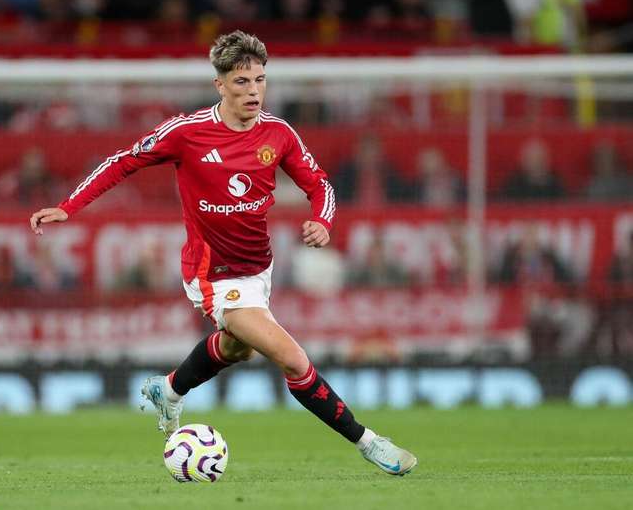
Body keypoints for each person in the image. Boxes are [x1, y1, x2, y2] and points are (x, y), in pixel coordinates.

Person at [30, 30, 416, 476]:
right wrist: (67, 206)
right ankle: (370, 443)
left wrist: (323, 222)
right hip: (212, 273)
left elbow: (320, 185)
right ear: (220, 85)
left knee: (237, 349)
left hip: (258, 270)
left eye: (260, 81)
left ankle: (169, 389)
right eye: (241, 82)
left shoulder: (278, 134)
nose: (253, 91)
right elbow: (122, 161)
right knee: (292, 359)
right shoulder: (187, 133)